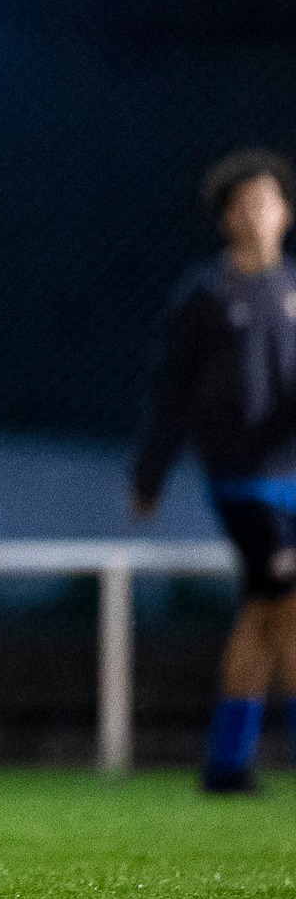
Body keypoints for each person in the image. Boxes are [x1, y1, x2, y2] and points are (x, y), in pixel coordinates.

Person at [132, 149, 296, 794]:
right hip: (240, 478)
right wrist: (150, 471)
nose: (256, 213)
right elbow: (169, 392)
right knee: (286, 603)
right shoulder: (206, 295)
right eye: (244, 203)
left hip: (292, 474)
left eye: (268, 201)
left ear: (286, 213)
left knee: (261, 611)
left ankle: (228, 763)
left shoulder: (293, 291)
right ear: (226, 217)